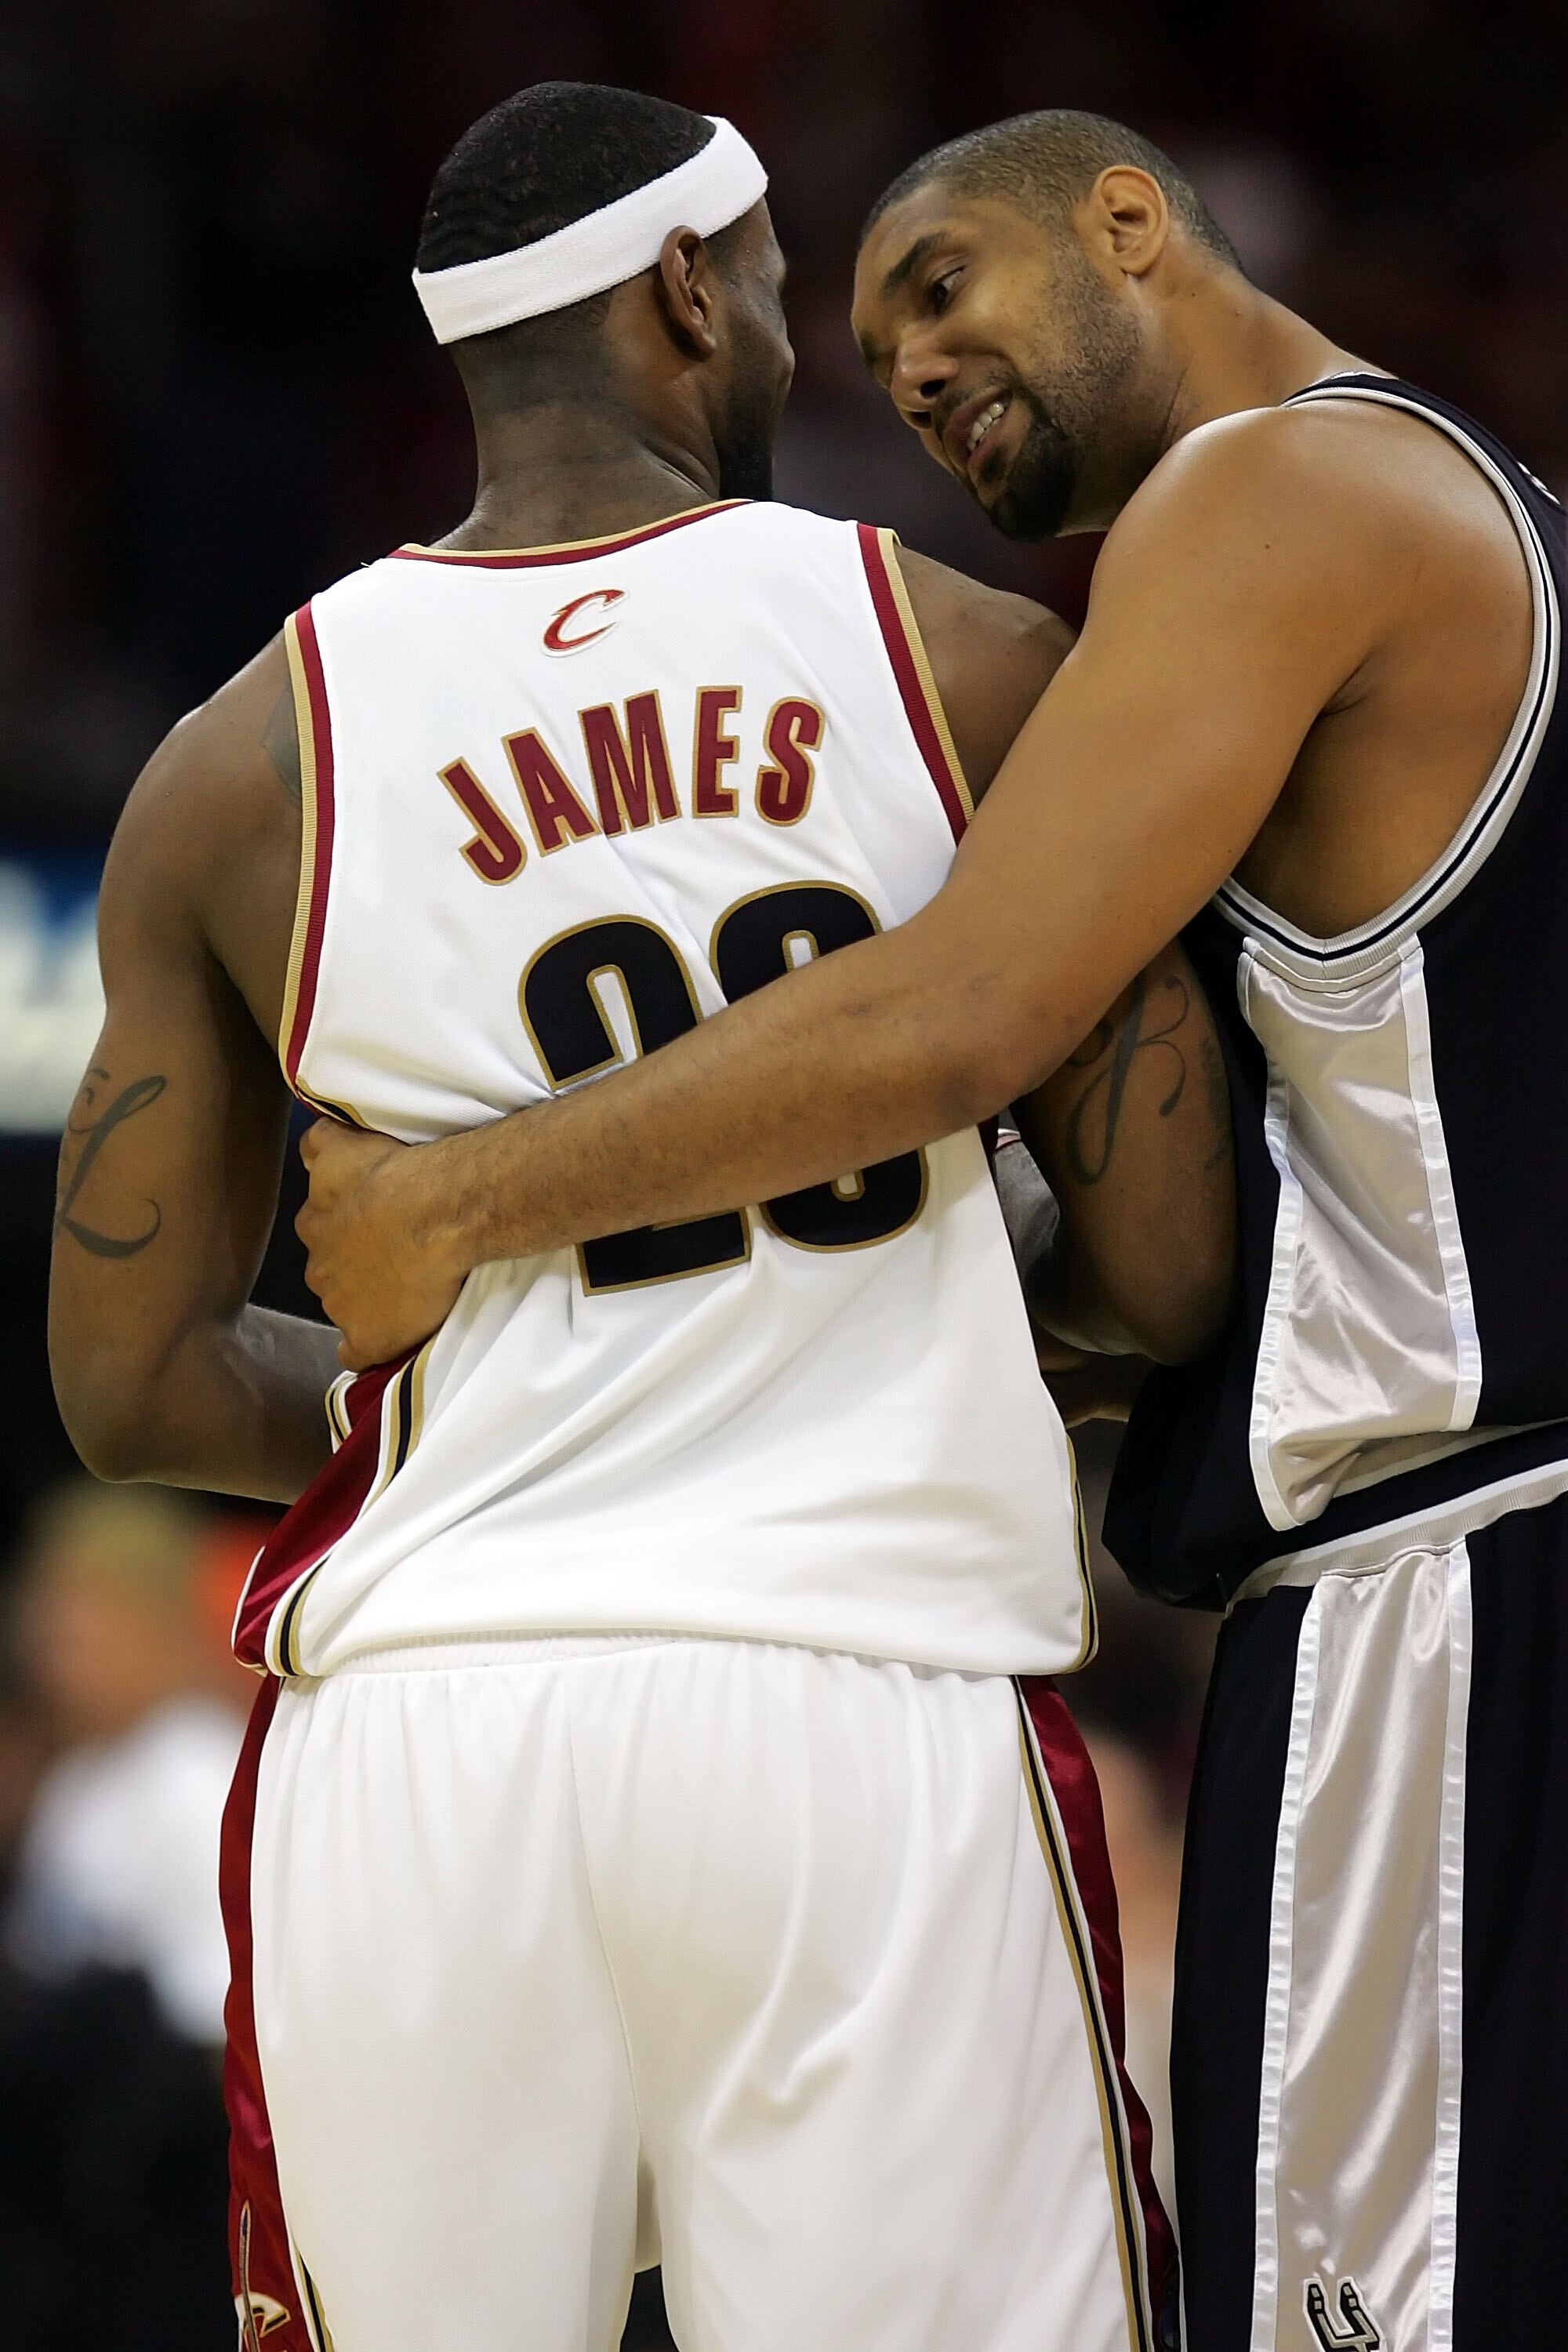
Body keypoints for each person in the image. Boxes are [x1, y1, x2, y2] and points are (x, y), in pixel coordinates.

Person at [299, 106, 1568, 2352]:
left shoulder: (1270, 491)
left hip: (1451, 1585)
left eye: (942, 282)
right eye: (871, 340)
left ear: (1128, 221)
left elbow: (969, 1004)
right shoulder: (1436, 504)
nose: (904, 364)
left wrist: (442, 1204)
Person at [47, 84, 1240, 2352]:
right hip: (855, 1707)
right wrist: (892, 1296)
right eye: (788, 289)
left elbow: (129, 1382)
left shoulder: (234, 764)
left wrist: (513, 1368)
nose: (805, 347)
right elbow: (1174, 1265)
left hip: (428, 1742)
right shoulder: (960, 657)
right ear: (687, 285)